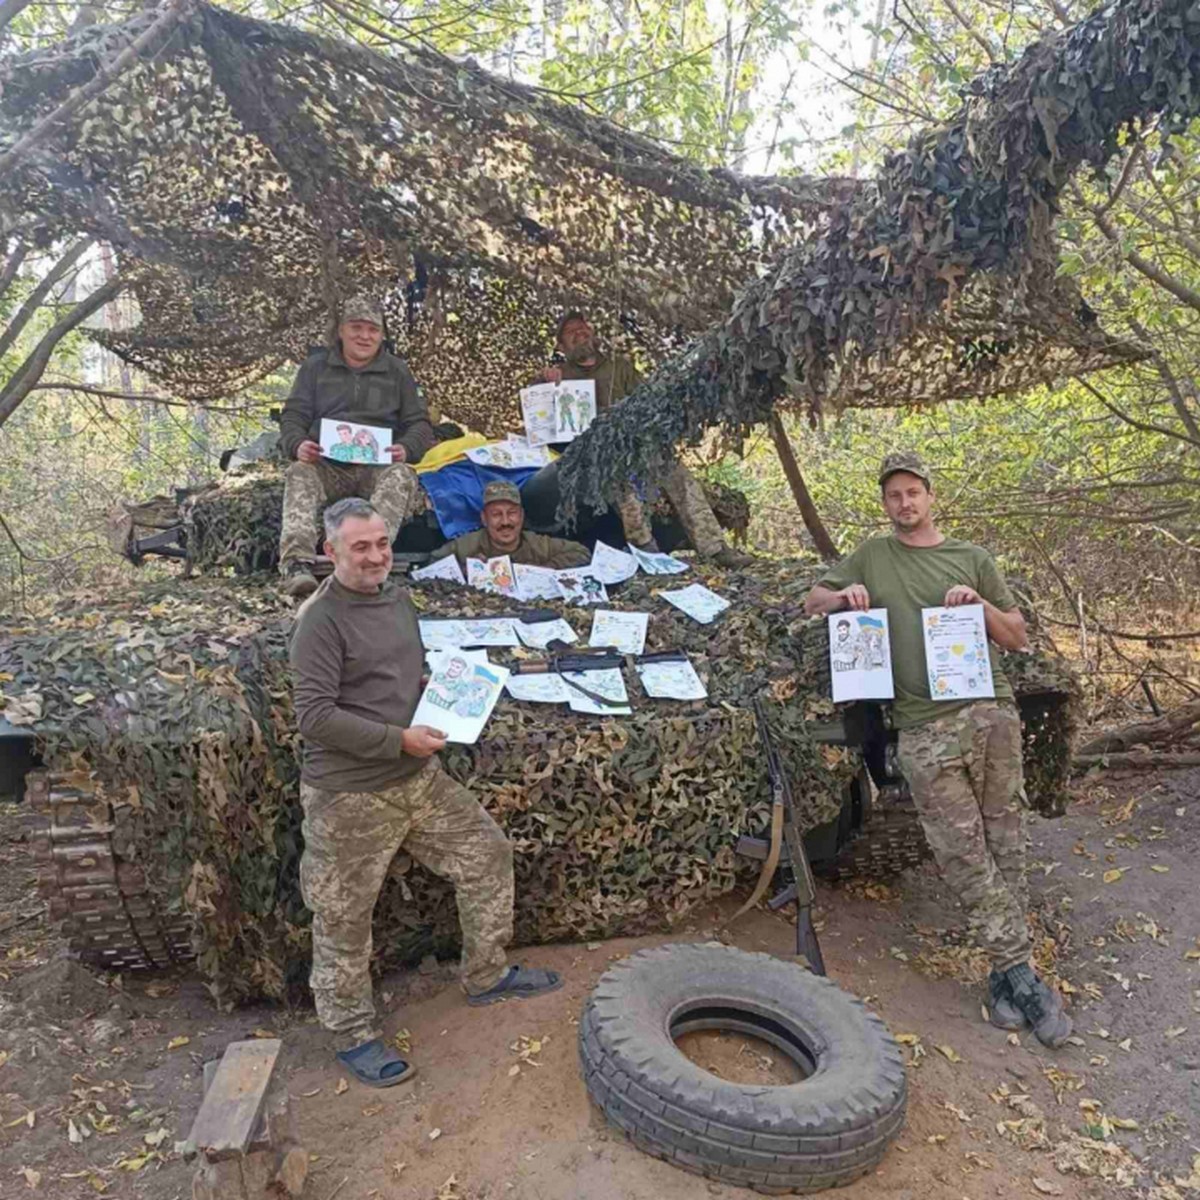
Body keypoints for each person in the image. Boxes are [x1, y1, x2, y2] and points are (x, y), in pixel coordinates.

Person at [290, 497, 563, 1088]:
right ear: (330, 550)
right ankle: (352, 1034)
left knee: (487, 854)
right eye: (359, 547)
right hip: (350, 796)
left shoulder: (395, 597)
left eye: (382, 543)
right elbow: (314, 717)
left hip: (417, 778)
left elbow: (398, 673)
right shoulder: (320, 619)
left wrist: (439, 687)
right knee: (343, 917)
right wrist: (399, 739)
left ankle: (487, 974)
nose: (375, 556)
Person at [802, 451, 1072, 1049]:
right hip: (921, 726)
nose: (905, 503)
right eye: (894, 495)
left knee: (1006, 841)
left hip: (989, 713)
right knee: (960, 851)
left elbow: (1018, 635)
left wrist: (978, 604)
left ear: (930, 496)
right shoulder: (873, 554)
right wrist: (843, 592)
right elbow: (811, 602)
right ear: (886, 503)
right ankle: (1023, 975)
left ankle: (1005, 976)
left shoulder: (973, 559)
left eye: (913, 493)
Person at [538, 312, 752, 569]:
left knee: (680, 476)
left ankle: (715, 549)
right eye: (571, 332)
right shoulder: (559, 376)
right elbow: (538, 421)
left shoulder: (621, 367)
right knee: (623, 483)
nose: (580, 333)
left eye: (583, 328)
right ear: (561, 346)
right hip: (594, 456)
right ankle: (646, 551)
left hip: (637, 444)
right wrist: (546, 385)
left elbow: (648, 403)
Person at [278, 295, 436, 599]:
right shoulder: (315, 368)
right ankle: (296, 567)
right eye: (357, 327)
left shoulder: (397, 371)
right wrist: (298, 445)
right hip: (326, 465)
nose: (365, 336)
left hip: (375, 467)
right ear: (341, 330)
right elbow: (293, 416)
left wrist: (406, 448)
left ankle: (370, 563)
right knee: (299, 472)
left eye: (373, 330)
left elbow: (419, 423)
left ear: (382, 335)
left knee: (401, 474)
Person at [430, 480, 590, 570]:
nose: (505, 522)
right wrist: (465, 570)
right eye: (496, 514)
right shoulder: (467, 546)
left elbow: (581, 553)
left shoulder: (538, 545)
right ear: (484, 518)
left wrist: (543, 568)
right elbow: (430, 564)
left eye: (512, 513)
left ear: (521, 516)